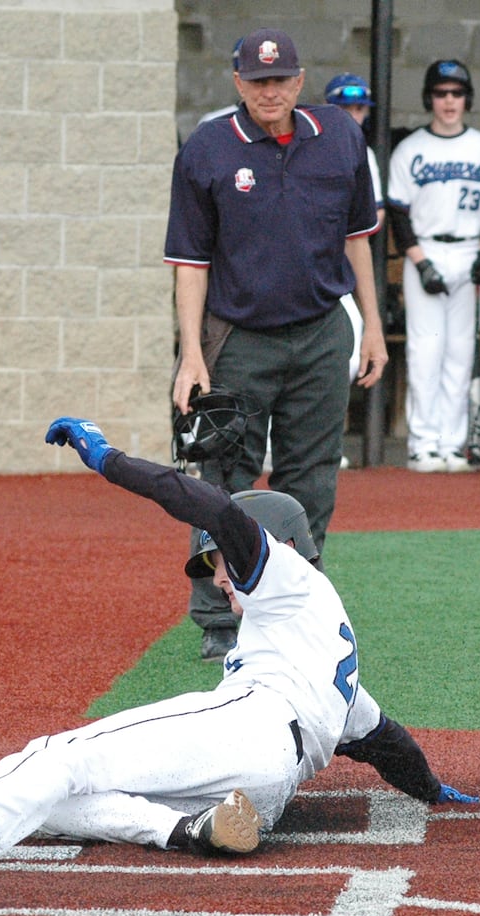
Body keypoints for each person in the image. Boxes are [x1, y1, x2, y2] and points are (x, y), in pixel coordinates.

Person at [0, 417, 476, 864]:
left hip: (246, 728)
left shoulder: (288, 578)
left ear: (277, 544)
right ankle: (185, 830)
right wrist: (429, 789)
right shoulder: (325, 645)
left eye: (220, 563)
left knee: (59, 756)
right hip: (266, 792)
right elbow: (384, 739)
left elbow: (218, 511)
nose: (219, 577)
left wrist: (108, 460)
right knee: (38, 787)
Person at [164, 28, 389, 660]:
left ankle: (296, 605)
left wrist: (371, 324)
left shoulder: (341, 135)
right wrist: (192, 355)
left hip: (321, 330)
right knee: (224, 477)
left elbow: (358, 240)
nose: (271, 91)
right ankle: (217, 615)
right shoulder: (208, 148)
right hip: (239, 336)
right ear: (238, 82)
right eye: (258, 81)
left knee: (311, 478)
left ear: (300, 80)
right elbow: (189, 262)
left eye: (282, 80)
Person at [387, 60, 480, 473]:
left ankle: (453, 444)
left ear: (466, 98)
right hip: (427, 251)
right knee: (426, 350)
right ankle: (423, 443)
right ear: (430, 99)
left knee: (460, 351)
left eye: (456, 93)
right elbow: (399, 215)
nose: (449, 101)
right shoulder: (411, 150)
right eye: (441, 93)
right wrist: (421, 264)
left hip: (469, 253)